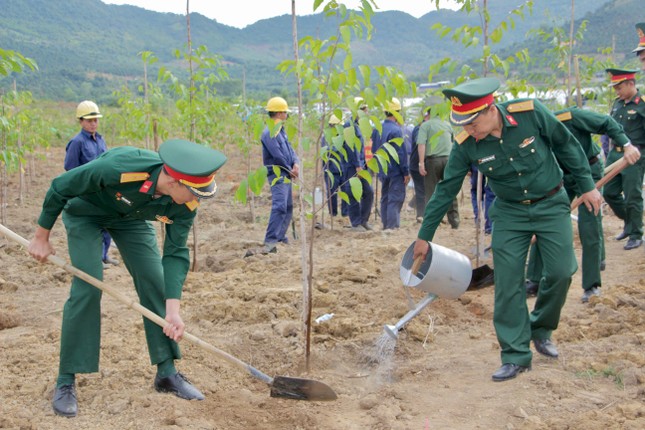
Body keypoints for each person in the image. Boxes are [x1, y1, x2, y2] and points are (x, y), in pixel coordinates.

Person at [412, 77, 602, 382]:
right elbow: (445, 189)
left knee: (561, 272)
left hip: (551, 203)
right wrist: (425, 237)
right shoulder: (466, 145)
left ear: (490, 109)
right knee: (509, 279)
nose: (467, 130)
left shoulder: (530, 113)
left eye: (472, 123)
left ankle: (540, 328)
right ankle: (515, 354)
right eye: (463, 125)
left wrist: (587, 186)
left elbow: (567, 146)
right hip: (510, 213)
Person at [27, 139, 227, 417]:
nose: (197, 199)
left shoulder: (185, 204)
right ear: (173, 183)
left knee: (155, 280)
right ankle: (65, 380)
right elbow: (60, 186)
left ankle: (167, 373)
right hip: (86, 212)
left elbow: (175, 252)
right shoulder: (117, 168)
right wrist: (41, 237)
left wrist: (173, 312)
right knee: (88, 286)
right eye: (194, 192)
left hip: (130, 218)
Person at [525, 107, 637, 303]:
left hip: (589, 170)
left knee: (589, 225)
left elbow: (607, 123)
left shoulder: (570, 117)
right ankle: (534, 280)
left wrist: (627, 145)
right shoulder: (529, 133)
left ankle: (591, 285)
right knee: (545, 222)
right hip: (560, 176)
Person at [64, 100, 119, 269]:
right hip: (87, 191)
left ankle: (104, 256)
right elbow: (70, 167)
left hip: (104, 190)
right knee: (94, 226)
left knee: (107, 223)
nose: (93, 123)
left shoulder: (100, 139)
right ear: (81, 121)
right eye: (89, 121)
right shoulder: (77, 142)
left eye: (95, 120)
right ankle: (96, 259)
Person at [603, 68, 645, 250]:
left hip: (634, 155)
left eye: (619, 87)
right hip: (616, 153)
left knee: (632, 195)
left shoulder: (641, 105)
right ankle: (629, 222)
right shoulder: (617, 104)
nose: (617, 92)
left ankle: (636, 234)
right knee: (609, 192)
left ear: (630, 84)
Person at [261, 97, 300, 252]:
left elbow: (290, 149)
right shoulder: (268, 133)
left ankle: (280, 236)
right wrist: (289, 169)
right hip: (278, 174)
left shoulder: (280, 130)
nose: (286, 114)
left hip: (288, 172)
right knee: (280, 206)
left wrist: (296, 163)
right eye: (284, 111)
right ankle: (270, 240)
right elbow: (277, 155)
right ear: (278, 113)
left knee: (288, 206)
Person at [417, 106, 460, 229]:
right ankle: (455, 221)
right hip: (448, 160)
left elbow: (421, 144)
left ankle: (432, 222)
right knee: (449, 190)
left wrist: (421, 163)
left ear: (428, 114)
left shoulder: (426, 126)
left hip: (433, 161)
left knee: (431, 192)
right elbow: (453, 143)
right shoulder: (447, 125)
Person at [370, 98, 410, 230]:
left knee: (385, 197)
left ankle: (386, 225)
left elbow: (373, 149)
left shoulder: (377, 129)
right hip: (395, 170)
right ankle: (392, 227)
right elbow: (401, 154)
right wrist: (405, 172)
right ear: (397, 113)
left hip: (382, 169)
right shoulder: (396, 130)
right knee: (395, 198)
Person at [340, 101, 374, 232]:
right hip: (352, 166)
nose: (366, 113)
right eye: (364, 110)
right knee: (353, 192)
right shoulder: (349, 126)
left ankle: (363, 220)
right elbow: (351, 147)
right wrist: (357, 166)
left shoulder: (359, 126)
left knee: (368, 192)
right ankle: (355, 223)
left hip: (361, 164)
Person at [321, 114, 343, 218]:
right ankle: (333, 213)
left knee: (346, 191)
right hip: (330, 170)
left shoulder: (341, 136)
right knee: (332, 192)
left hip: (342, 169)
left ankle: (345, 213)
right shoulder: (326, 137)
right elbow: (327, 151)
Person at [409, 110, 427, 222]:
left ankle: (420, 212)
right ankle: (420, 215)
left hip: (419, 164)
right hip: (417, 165)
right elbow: (420, 142)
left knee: (422, 190)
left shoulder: (421, 127)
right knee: (421, 191)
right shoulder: (420, 129)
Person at [469, 164, 494, 234]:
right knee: (490, 195)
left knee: (476, 192)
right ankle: (489, 226)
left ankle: (479, 218)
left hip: (476, 164)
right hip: (491, 164)